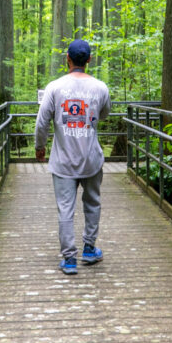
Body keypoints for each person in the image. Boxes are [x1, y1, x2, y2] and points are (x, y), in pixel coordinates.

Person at [34, 39, 112, 275]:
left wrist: (40, 146)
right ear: (89, 60)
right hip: (91, 158)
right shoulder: (100, 87)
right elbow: (105, 114)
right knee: (92, 203)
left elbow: (41, 122)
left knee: (65, 209)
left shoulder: (54, 87)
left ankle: (69, 259)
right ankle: (89, 249)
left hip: (63, 161)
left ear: (67, 58)